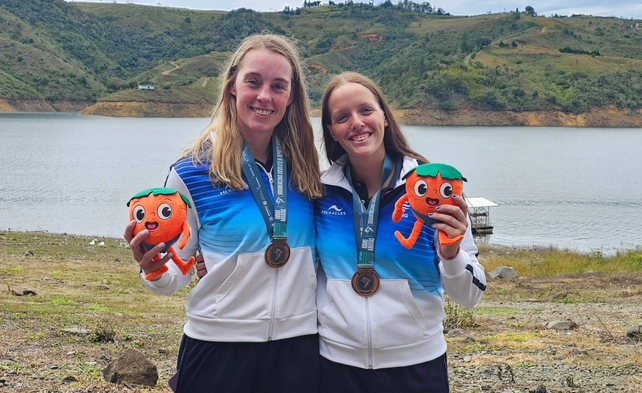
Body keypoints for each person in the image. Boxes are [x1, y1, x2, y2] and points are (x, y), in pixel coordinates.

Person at [124, 34, 323, 393]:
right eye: (253, 82)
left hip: (299, 348)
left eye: (278, 86)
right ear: (232, 85)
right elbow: (176, 273)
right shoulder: (192, 171)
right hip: (217, 348)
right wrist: (153, 268)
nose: (265, 96)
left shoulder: (308, 170)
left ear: (291, 96)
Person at [314, 72, 486, 393]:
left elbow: (469, 296)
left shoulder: (432, 191)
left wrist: (451, 255)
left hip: (416, 367)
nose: (356, 122)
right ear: (332, 132)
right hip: (336, 366)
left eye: (366, 110)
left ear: (385, 117)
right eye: (342, 117)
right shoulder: (319, 192)